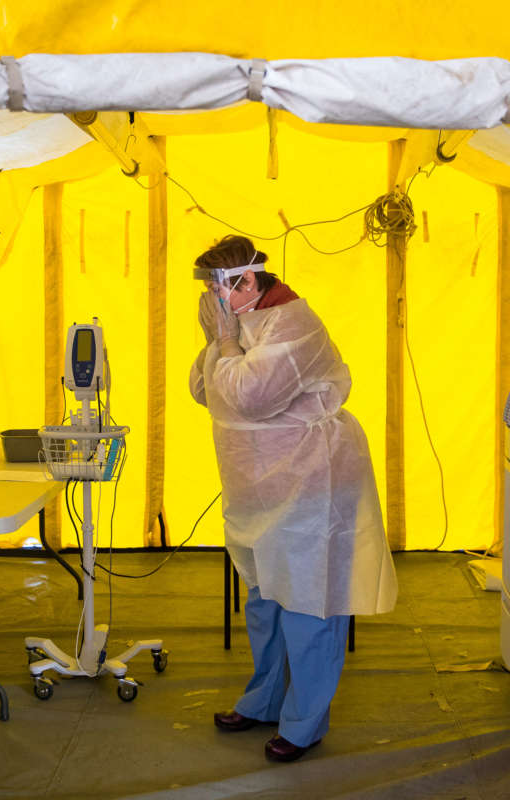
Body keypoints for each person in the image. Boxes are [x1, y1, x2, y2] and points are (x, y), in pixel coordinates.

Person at [189, 234, 398, 763]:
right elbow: (201, 387)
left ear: (246, 282)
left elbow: (246, 395)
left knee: (309, 601)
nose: (212, 300)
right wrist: (218, 338)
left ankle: (305, 724)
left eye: (218, 289)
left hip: (312, 481)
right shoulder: (238, 324)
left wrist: (227, 342)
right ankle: (264, 699)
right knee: (263, 599)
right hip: (258, 487)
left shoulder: (294, 324)